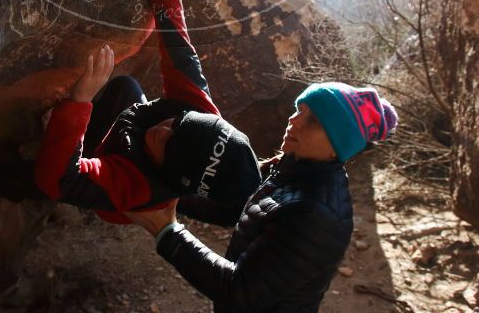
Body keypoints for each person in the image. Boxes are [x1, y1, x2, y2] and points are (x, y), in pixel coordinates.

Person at [0, 0, 261, 225]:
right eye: (180, 123)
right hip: (126, 134)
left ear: (170, 173)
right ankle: (65, 134)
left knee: (35, 178)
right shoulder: (200, 117)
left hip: (114, 172)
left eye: (170, 144)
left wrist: (79, 102)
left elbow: (57, 181)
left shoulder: (137, 189)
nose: (165, 127)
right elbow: (181, 55)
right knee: (125, 87)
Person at [125, 81, 399, 313]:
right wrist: (167, 193)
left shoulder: (317, 215)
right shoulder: (292, 168)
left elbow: (239, 290)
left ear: (337, 145)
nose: (295, 120)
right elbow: (236, 208)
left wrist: (168, 231)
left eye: (313, 120)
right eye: (300, 109)